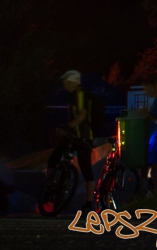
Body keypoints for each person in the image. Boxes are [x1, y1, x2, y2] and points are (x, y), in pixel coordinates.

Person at [52, 69, 95, 212]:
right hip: (73, 135)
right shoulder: (71, 96)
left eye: (66, 81)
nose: (64, 84)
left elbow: (83, 114)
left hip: (83, 137)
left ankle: (89, 204)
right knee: (54, 158)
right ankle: (51, 186)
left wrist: (69, 126)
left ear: (72, 82)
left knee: (86, 169)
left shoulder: (80, 93)